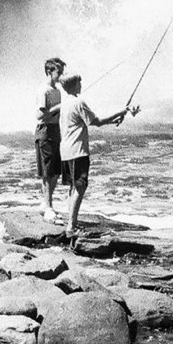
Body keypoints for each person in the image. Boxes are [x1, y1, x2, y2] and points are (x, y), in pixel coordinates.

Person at [56, 73, 126, 245]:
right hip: (78, 151)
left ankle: (71, 225)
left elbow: (91, 122)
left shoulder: (64, 103)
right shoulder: (79, 102)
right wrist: (121, 112)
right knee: (80, 187)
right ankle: (71, 227)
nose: (81, 85)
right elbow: (97, 122)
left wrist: (114, 120)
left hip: (65, 151)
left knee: (73, 187)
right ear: (73, 85)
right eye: (79, 83)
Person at [34, 56, 66, 222]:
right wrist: (58, 107)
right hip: (45, 130)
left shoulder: (58, 90)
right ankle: (49, 208)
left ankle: (44, 203)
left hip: (55, 129)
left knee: (56, 171)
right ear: (49, 72)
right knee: (48, 172)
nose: (61, 76)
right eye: (58, 72)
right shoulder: (44, 90)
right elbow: (40, 114)